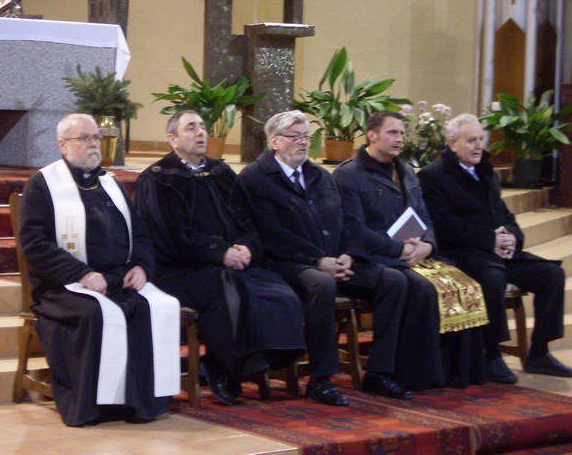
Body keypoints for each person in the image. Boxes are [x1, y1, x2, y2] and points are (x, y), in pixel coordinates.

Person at [234, 111, 411, 403]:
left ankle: (379, 373)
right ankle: (321, 378)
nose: (303, 142)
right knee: (321, 284)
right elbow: (270, 234)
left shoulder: (320, 176)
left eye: (306, 136)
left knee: (393, 280)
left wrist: (349, 254)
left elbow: (347, 222)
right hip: (286, 264)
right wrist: (318, 261)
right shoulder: (255, 178)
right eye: (295, 137)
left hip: (335, 260)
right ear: (274, 142)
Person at [134, 110, 306, 405]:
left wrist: (246, 246)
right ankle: (223, 370)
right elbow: (171, 236)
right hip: (179, 269)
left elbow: (246, 219)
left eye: (202, 126)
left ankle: (263, 361)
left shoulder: (221, 173)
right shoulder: (159, 179)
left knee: (275, 287)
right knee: (223, 288)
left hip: (230, 264)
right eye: (191, 128)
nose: (200, 132)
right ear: (173, 139)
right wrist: (219, 253)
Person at [18, 113, 180, 426]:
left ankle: (138, 404)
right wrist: (81, 273)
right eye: (84, 138)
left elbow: (141, 234)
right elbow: (34, 245)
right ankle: (92, 406)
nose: (93, 144)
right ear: (63, 145)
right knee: (93, 313)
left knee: (152, 307)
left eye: (96, 138)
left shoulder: (110, 183)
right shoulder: (44, 184)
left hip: (115, 279)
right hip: (63, 285)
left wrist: (141, 266)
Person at [333, 110, 489, 390]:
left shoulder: (405, 171)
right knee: (420, 287)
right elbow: (354, 230)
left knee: (463, 282)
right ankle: (399, 373)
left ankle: (455, 371)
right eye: (393, 132)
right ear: (372, 136)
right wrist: (399, 248)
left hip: (411, 254)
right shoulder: (349, 174)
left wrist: (428, 245)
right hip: (371, 258)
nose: (400, 139)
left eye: (402, 133)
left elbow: (425, 218)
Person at [418, 113, 572, 382]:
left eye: (481, 139)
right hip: (462, 255)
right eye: (471, 140)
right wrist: (491, 240)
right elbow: (444, 226)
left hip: (497, 253)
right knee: (493, 278)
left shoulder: (485, 171)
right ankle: (491, 354)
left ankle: (539, 353)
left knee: (551, 274)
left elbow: (504, 215)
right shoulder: (433, 176)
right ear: (452, 143)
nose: (479, 146)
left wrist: (512, 237)